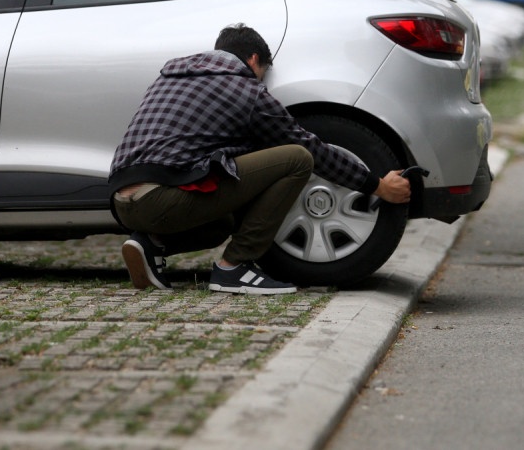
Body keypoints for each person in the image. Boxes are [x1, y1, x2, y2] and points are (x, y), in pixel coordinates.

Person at [108, 24, 411, 294]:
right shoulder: (245, 88)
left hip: (122, 203)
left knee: (223, 222)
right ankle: (233, 268)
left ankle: (151, 244)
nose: (262, 80)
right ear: (254, 59)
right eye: (264, 72)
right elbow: (311, 148)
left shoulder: (170, 77)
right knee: (297, 158)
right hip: (163, 200)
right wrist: (376, 186)